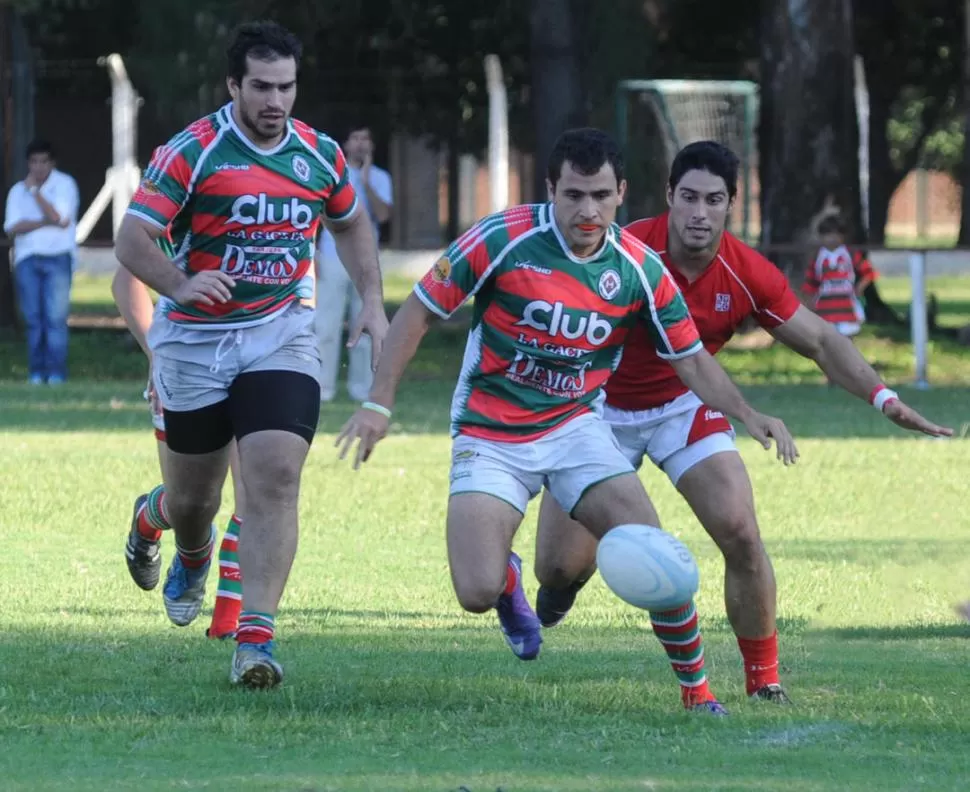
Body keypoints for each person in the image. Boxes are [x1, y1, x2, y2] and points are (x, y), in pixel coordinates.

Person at [337, 128, 799, 714]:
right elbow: (419, 314)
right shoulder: (503, 237)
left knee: (653, 549)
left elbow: (691, 359)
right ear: (550, 188)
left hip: (577, 430)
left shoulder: (638, 267)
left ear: (622, 194)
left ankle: (697, 692)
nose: (588, 210)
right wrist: (379, 404)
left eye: (601, 196)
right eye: (575, 195)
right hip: (491, 432)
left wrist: (746, 413)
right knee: (474, 591)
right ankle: (505, 583)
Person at [529, 141, 952, 704]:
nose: (699, 213)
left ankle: (764, 682)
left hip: (686, 405)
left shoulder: (746, 271)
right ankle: (561, 588)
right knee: (557, 568)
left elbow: (822, 341)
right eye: (688, 198)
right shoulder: (622, 250)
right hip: (597, 411)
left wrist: (883, 398)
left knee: (741, 531)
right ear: (668, 198)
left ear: (731, 205)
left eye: (714, 200)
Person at [114, 20, 388, 689]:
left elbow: (350, 221)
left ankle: (255, 639)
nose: (275, 100)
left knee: (274, 477)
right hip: (196, 341)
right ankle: (178, 540)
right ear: (233, 84)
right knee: (194, 500)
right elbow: (131, 240)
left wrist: (374, 300)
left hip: (279, 332)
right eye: (261, 86)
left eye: (286, 87)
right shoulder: (195, 151)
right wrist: (180, 284)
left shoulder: (318, 154)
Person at [112, 264, 244, 639]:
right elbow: (127, 279)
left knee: (262, 491)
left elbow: (304, 278)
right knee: (192, 504)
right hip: (185, 361)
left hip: (261, 360)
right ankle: (169, 533)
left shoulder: (283, 206)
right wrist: (156, 354)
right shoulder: (176, 206)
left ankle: (229, 624)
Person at [316, 124, 393, 402]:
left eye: (366, 138)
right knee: (325, 323)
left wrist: (367, 178)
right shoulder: (332, 174)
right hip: (331, 256)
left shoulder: (381, 178)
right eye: (356, 138)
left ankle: (362, 389)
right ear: (346, 144)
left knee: (367, 322)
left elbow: (383, 216)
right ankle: (322, 388)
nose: (361, 144)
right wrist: (313, 254)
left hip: (367, 261)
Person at [3, 139, 79, 384]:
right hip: (27, 259)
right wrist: (46, 222)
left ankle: (56, 374)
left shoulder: (65, 184)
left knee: (55, 319)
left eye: (43, 161)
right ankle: (36, 374)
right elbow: (13, 227)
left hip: (58, 258)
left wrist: (36, 194)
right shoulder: (17, 190)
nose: (38, 167)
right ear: (28, 163)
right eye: (34, 162)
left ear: (52, 162)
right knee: (34, 319)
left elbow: (61, 218)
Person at [803, 214, 877, 339]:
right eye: (828, 234)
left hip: (846, 305)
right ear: (821, 236)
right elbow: (811, 282)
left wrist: (860, 288)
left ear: (843, 236)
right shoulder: (818, 257)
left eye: (837, 234)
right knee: (827, 339)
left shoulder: (850, 254)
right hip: (825, 306)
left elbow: (869, 272)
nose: (832, 238)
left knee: (847, 338)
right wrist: (809, 301)